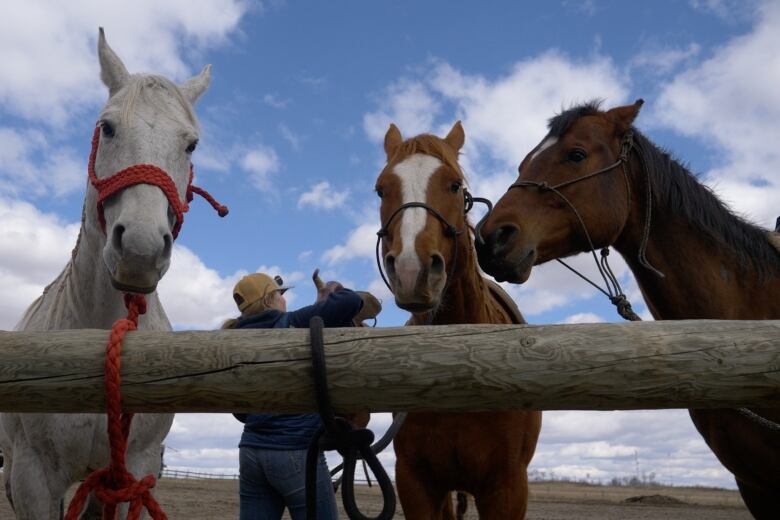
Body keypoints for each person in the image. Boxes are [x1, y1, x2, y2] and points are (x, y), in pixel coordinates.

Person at [223, 272, 368, 520]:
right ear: (270, 299)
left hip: (250, 451)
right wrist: (331, 290)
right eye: (280, 294)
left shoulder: (235, 336)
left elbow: (241, 412)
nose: (284, 300)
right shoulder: (293, 322)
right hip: (296, 450)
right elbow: (352, 302)